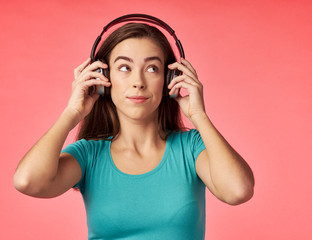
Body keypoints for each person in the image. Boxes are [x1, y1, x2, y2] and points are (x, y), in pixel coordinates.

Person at [13, 17, 254, 240]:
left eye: (152, 69)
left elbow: (238, 191)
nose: (138, 82)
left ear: (170, 80)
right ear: (103, 77)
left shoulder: (191, 148)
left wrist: (199, 115)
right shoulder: (89, 155)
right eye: (124, 68)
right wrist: (72, 112)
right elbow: (28, 181)